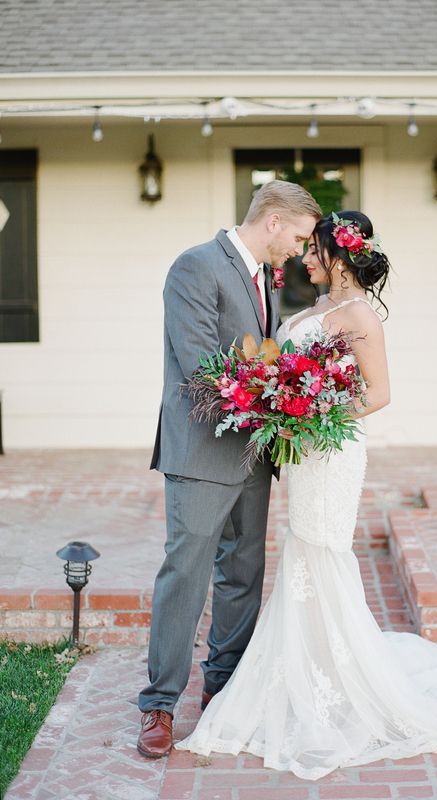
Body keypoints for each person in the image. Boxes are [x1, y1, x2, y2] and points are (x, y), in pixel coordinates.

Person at [175, 210, 437, 780]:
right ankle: (309, 664)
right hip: (303, 454)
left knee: (322, 552)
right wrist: (283, 406)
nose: (304, 259)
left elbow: (379, 393)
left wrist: (313, 413)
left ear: (337, 255)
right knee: (301, 552)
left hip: (332, 453)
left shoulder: (359, 316)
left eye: (313, 251)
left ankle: (337, 677)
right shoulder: (313, 311)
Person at [137, 180, 322, 759]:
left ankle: (222, 689)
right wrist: (279, 404)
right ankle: (160, 704)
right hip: (201, 451)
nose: (296, 250)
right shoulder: (194, 267)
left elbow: (260, 354)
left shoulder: (264, 275)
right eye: (296, 237)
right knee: (186, 572)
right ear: (273, 221)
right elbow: (201, 367)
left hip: (253, 455)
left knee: (243, 571)